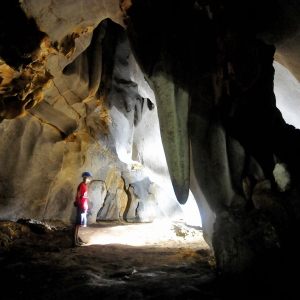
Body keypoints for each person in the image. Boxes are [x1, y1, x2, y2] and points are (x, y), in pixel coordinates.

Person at [73, 171, 92, 247]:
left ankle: (77, 240)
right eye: (89, 178)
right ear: (86, 178)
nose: (90, 179)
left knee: (79, 225)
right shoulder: (81, 185)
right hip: (81, 207)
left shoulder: (85, 186)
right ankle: (74, 242)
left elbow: (85, 197)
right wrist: (80, 204)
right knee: (77, 224)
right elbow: (78, 195)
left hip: (83, 207)